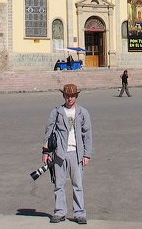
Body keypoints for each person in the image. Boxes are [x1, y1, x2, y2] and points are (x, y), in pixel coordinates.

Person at [43, 84, 92, 224]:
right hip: (60, 154)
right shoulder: (57, 112)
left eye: (72, 96)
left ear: (76, 96)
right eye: (67, 96)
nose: (69, 98)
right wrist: (46, 152)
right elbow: (49, 132)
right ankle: (59, 212)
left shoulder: (83, 113)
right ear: (63, 96)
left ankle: (79, 213)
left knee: (78, 185)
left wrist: (87, 154)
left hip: (76, 154)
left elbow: (87, 135)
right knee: (59, 184)